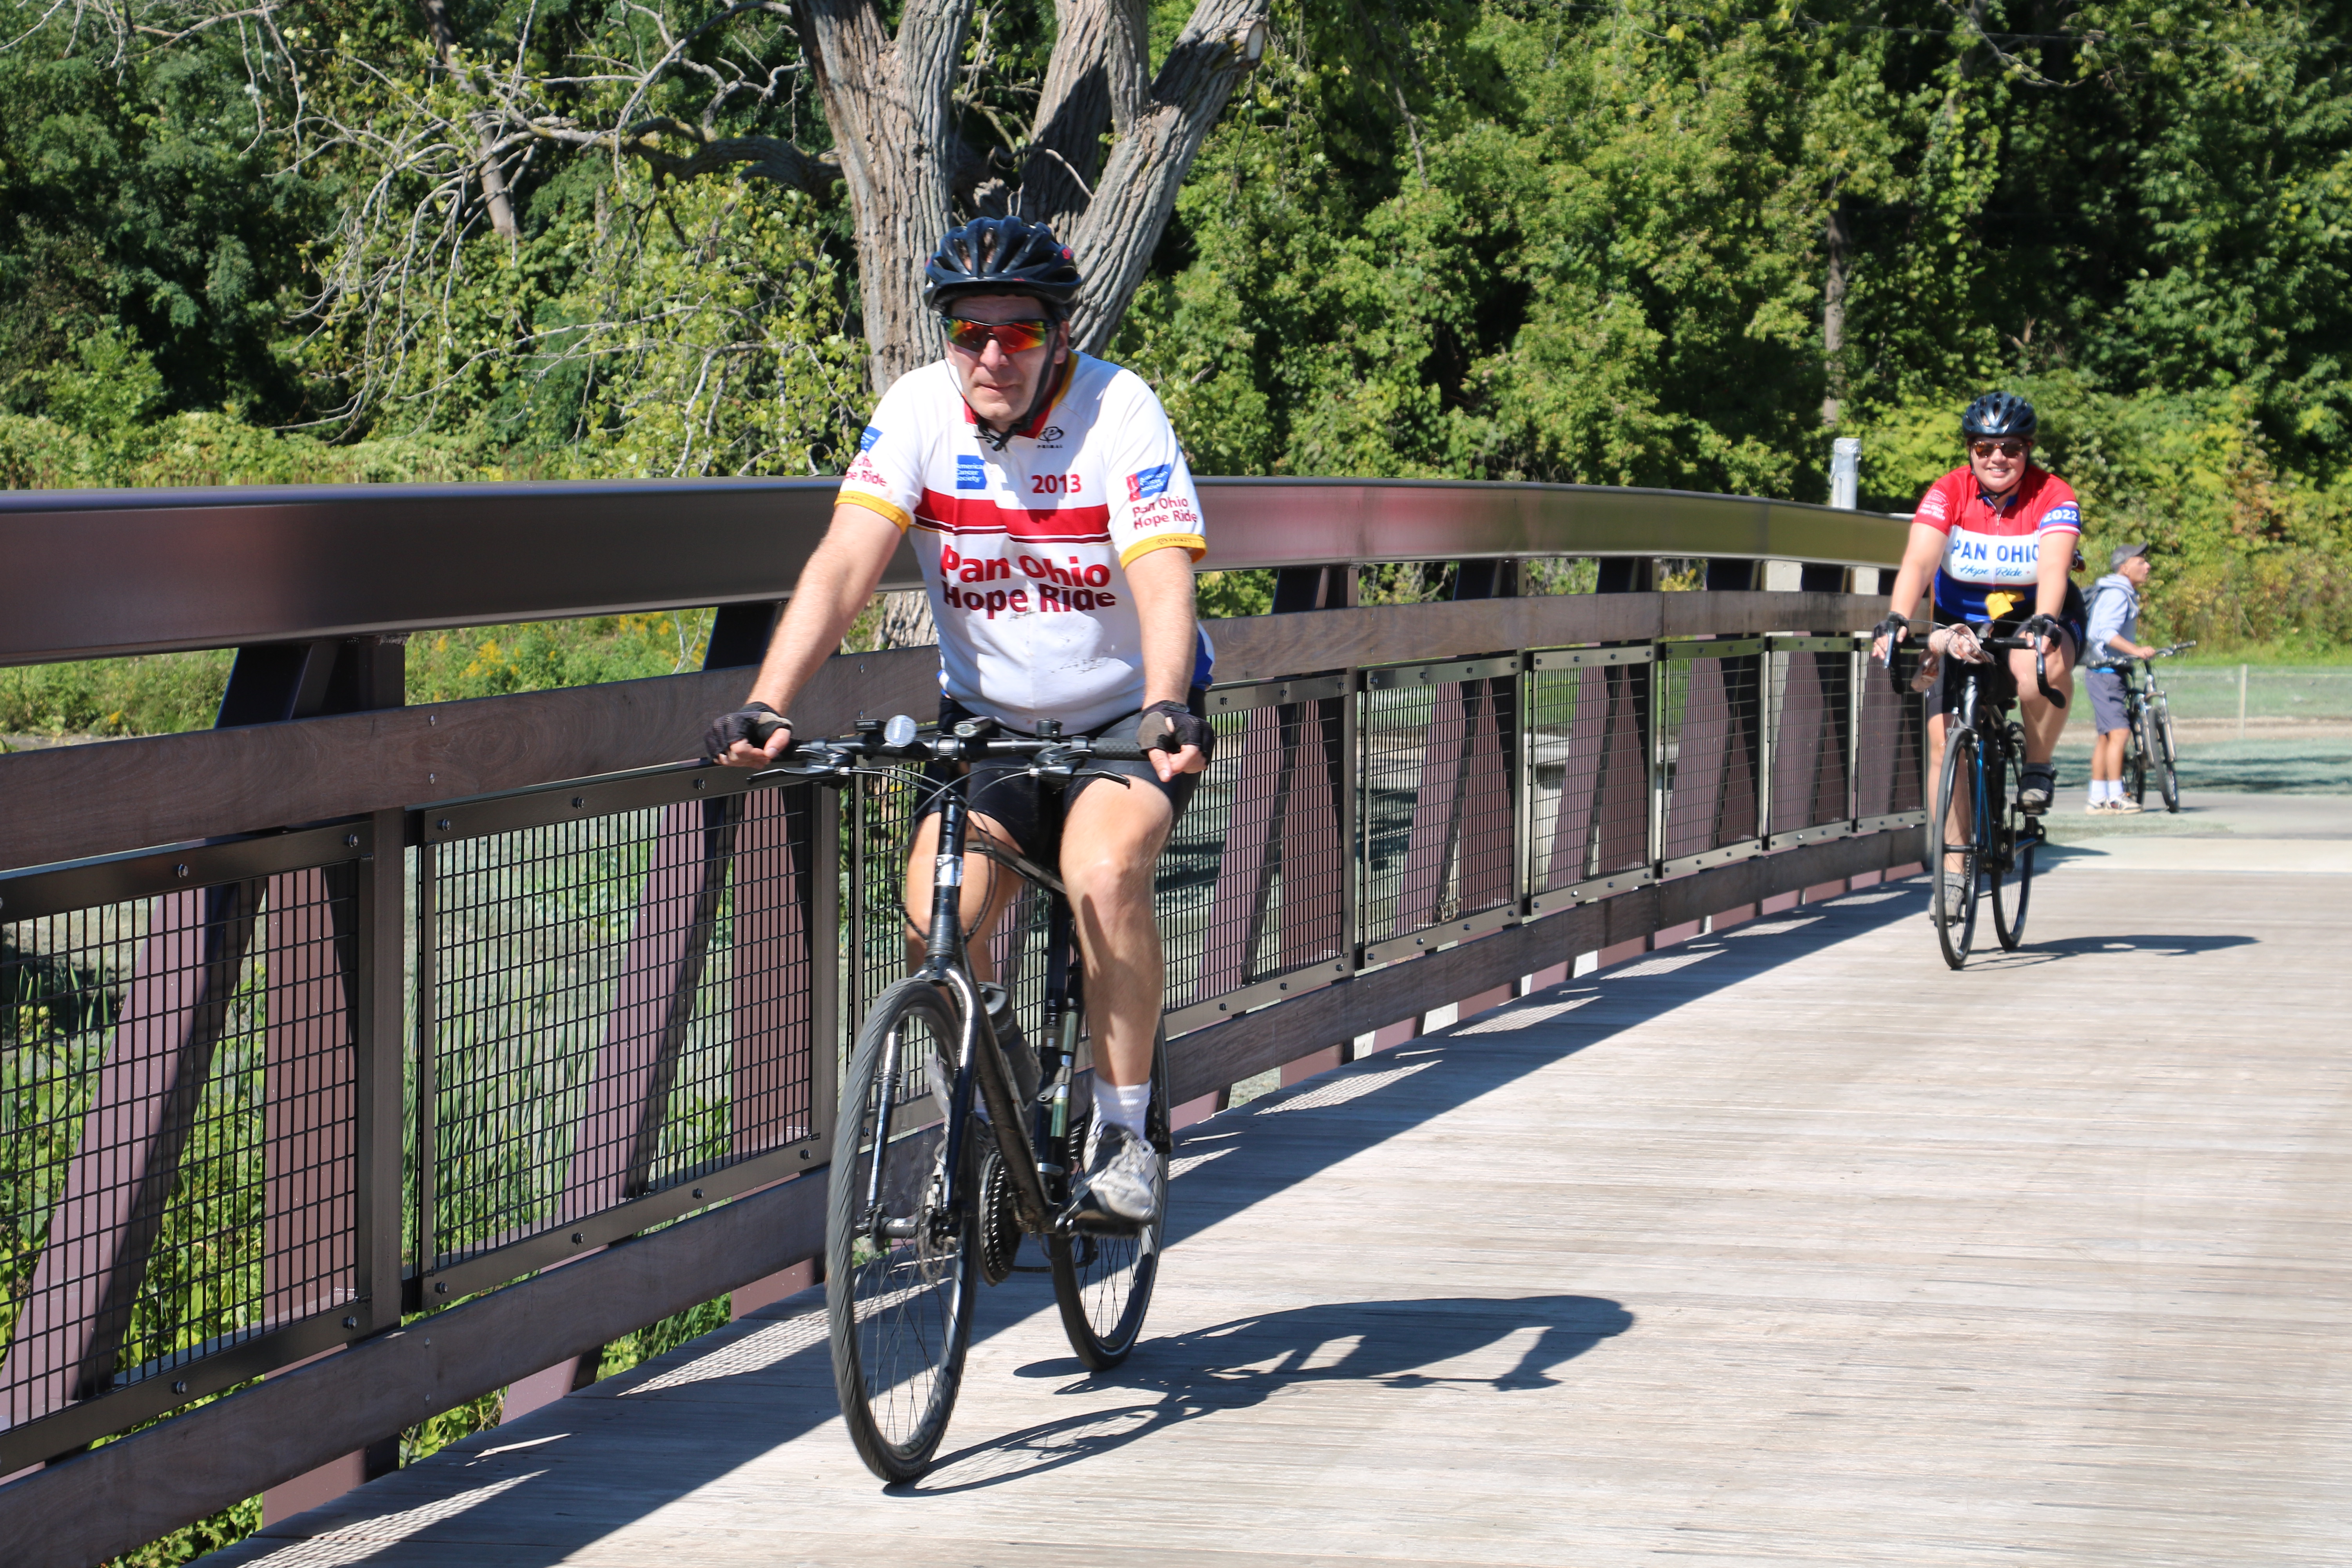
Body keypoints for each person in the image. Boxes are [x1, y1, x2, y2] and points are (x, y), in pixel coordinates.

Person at [704, 215, 1212, 1228]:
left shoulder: (1121, 408)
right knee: (933, 910)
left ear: (1057, 335)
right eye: (968, 332)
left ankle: (1121, 1131)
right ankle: (1005, 1076)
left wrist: (1163, 702)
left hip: (1123, 717)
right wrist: (769, 703)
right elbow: (847, 561)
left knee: (1103, 877)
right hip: (990, 722)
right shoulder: (918, 410)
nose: (991, 355)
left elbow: (1161, 570)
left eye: (1018, 333)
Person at [1873, 392, 2086, 898]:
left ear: (2028, 450)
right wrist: (1898, 617)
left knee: (2039, 665)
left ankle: (2037, 764)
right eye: (1984, 447)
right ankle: (1951, 868)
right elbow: (1919, 562)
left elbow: (2055, 568)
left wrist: (2046, 620)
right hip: (1959, 618)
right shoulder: (1949, 491)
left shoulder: (2054, 494)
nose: (1997, 458)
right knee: (1943, 738)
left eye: (2011, 448)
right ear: (1970, 449)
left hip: (2034, 613)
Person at [2081, 542, 2158, 814]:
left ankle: (2097, 796)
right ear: (2125, 568)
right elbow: (2105, 633)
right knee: (2120, 733)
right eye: (2141, 562)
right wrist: (2137, 651)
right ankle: (2116, 796)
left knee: (2106, 737)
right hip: (2105, 673)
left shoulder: (2121, 592)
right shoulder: (2117, 594)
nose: (2147, 566)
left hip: (2106, 672)